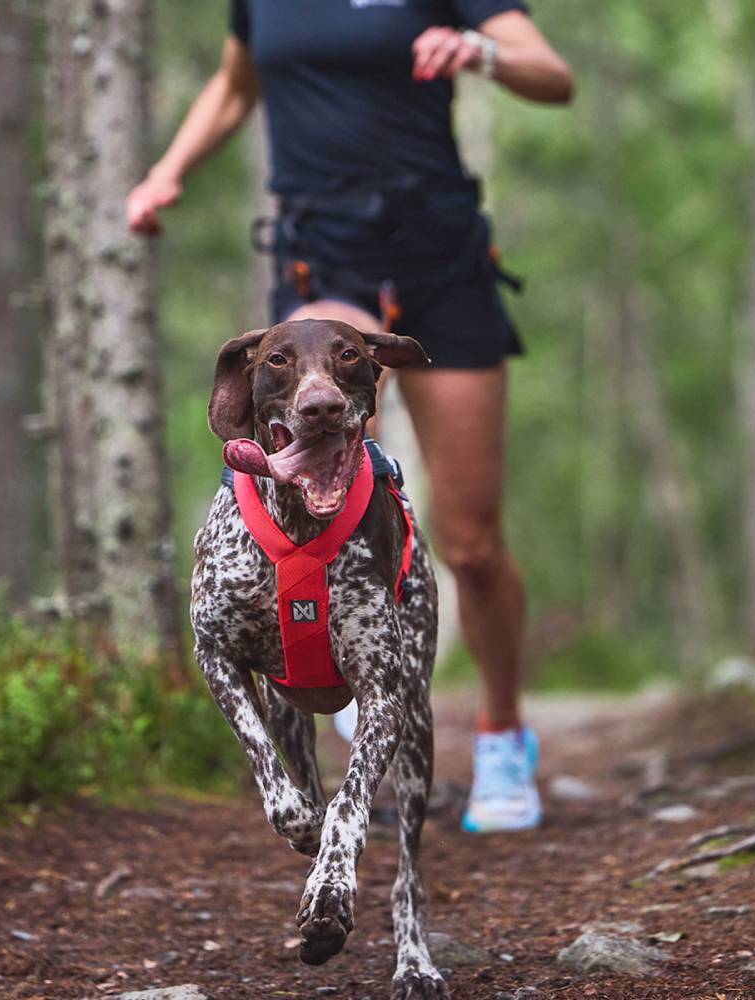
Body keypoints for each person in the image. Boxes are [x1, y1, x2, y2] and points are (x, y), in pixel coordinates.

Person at [127, 1, 573, 834]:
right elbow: (234, 85)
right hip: (322, 250)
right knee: (321, 417)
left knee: (472, 543)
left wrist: (478, 49)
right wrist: (168, 169)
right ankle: (350, 655)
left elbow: (553, 76)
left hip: (440, 253)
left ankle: (505, 735)